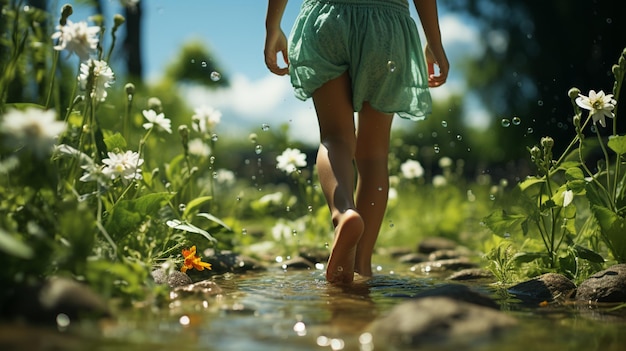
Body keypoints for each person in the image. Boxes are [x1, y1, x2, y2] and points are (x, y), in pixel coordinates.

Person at [264, 0, 449, 284]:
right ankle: (362, 265)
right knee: (373, 156)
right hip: (387, 28)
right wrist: (434, 42)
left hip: (327, 18)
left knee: (335, 138)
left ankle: (343, 213)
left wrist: (272, 26)